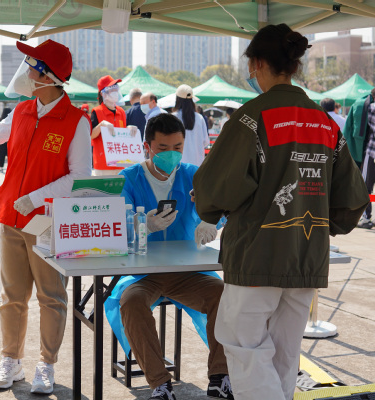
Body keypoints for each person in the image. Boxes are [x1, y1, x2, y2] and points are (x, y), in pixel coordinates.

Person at [193, 24, 370, 400]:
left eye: (250, 65)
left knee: (244, 348)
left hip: (256, 255)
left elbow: (215, 186)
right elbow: (352, 199)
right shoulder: (325, 122)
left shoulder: (250, 117)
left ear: (257, 63)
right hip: (306, 256)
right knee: (285, 354)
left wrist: (209, 211)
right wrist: (323, 224)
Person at [0, 39, 92, 394]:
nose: (26, 72)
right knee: (12, 295)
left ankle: (46, 364)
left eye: (32, 67)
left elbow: (79, 177)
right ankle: (11, 359)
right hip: (11, 216)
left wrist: (36, 197)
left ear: (48, 77)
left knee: (51, 296)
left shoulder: (76, 121)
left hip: (47, 222)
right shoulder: (23, 111)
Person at [105, 113, 232, 400]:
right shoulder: (128, 179)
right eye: (163, 148)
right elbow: (116, 227)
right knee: (131, 302)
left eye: (177, 148)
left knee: (223, 295)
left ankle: (220, 376)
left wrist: (211, 221)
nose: (171, 155)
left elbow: (219, 208)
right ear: (147, 147)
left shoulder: (193, 175)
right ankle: (160, 384)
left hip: (189, 272)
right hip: (142, 273)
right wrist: (144, 226)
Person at [91, 75, 137, 175]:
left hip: (121, 163)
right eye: (111, 90)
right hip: (103, 165)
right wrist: (101, 125)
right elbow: (91, 135)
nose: (115, 92)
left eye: (116, 89)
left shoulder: (121, 112)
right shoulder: (97, 111)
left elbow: (121, 134)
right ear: (103, 93)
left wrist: (128, 129)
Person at [343, 88, 375, 229]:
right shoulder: (365, 106)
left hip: (370, 153)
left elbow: (355, 131)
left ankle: (366, 218)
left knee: (365, 187)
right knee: (366, 187)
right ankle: (366, 217)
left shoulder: (367, 107)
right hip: (370, 153)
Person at [172, 85, 209, 167]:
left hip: (178, 165)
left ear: (177, 99)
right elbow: (206, 142)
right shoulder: (199, 118)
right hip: (197, 164)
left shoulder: (172, 117)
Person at [0, 107, 11, 172]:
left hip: (1, 140)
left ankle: (0, 167)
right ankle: (9, 167)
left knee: (1, 154)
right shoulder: (13, 120)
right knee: (10, 155)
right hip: (10, 140)